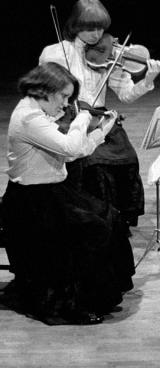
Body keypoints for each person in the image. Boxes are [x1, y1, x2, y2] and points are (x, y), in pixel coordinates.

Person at [1, 62, 134, 325]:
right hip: (31, 203)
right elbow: (72, 149)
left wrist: (101, 130)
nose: (66, 104)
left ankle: (97, 296)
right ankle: (72, 304)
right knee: (92, 229)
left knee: (111, 217)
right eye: (63, 96)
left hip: (51, 192)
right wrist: (84, 118)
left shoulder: (39, 111)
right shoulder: (29, 118)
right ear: (45, 91)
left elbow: (78, 149)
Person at [39, 0, 160, 230]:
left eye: (100, 28)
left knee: (126, 158)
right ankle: (93, 218)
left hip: (99, 117)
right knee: (93, 163)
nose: (97, 35)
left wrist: (147, 80)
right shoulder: (55, 53)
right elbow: (44, 93)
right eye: (89, 28)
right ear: (76, 26)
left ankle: (118, 218)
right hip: (65, 117)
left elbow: (126, 94)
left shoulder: (109, 54)